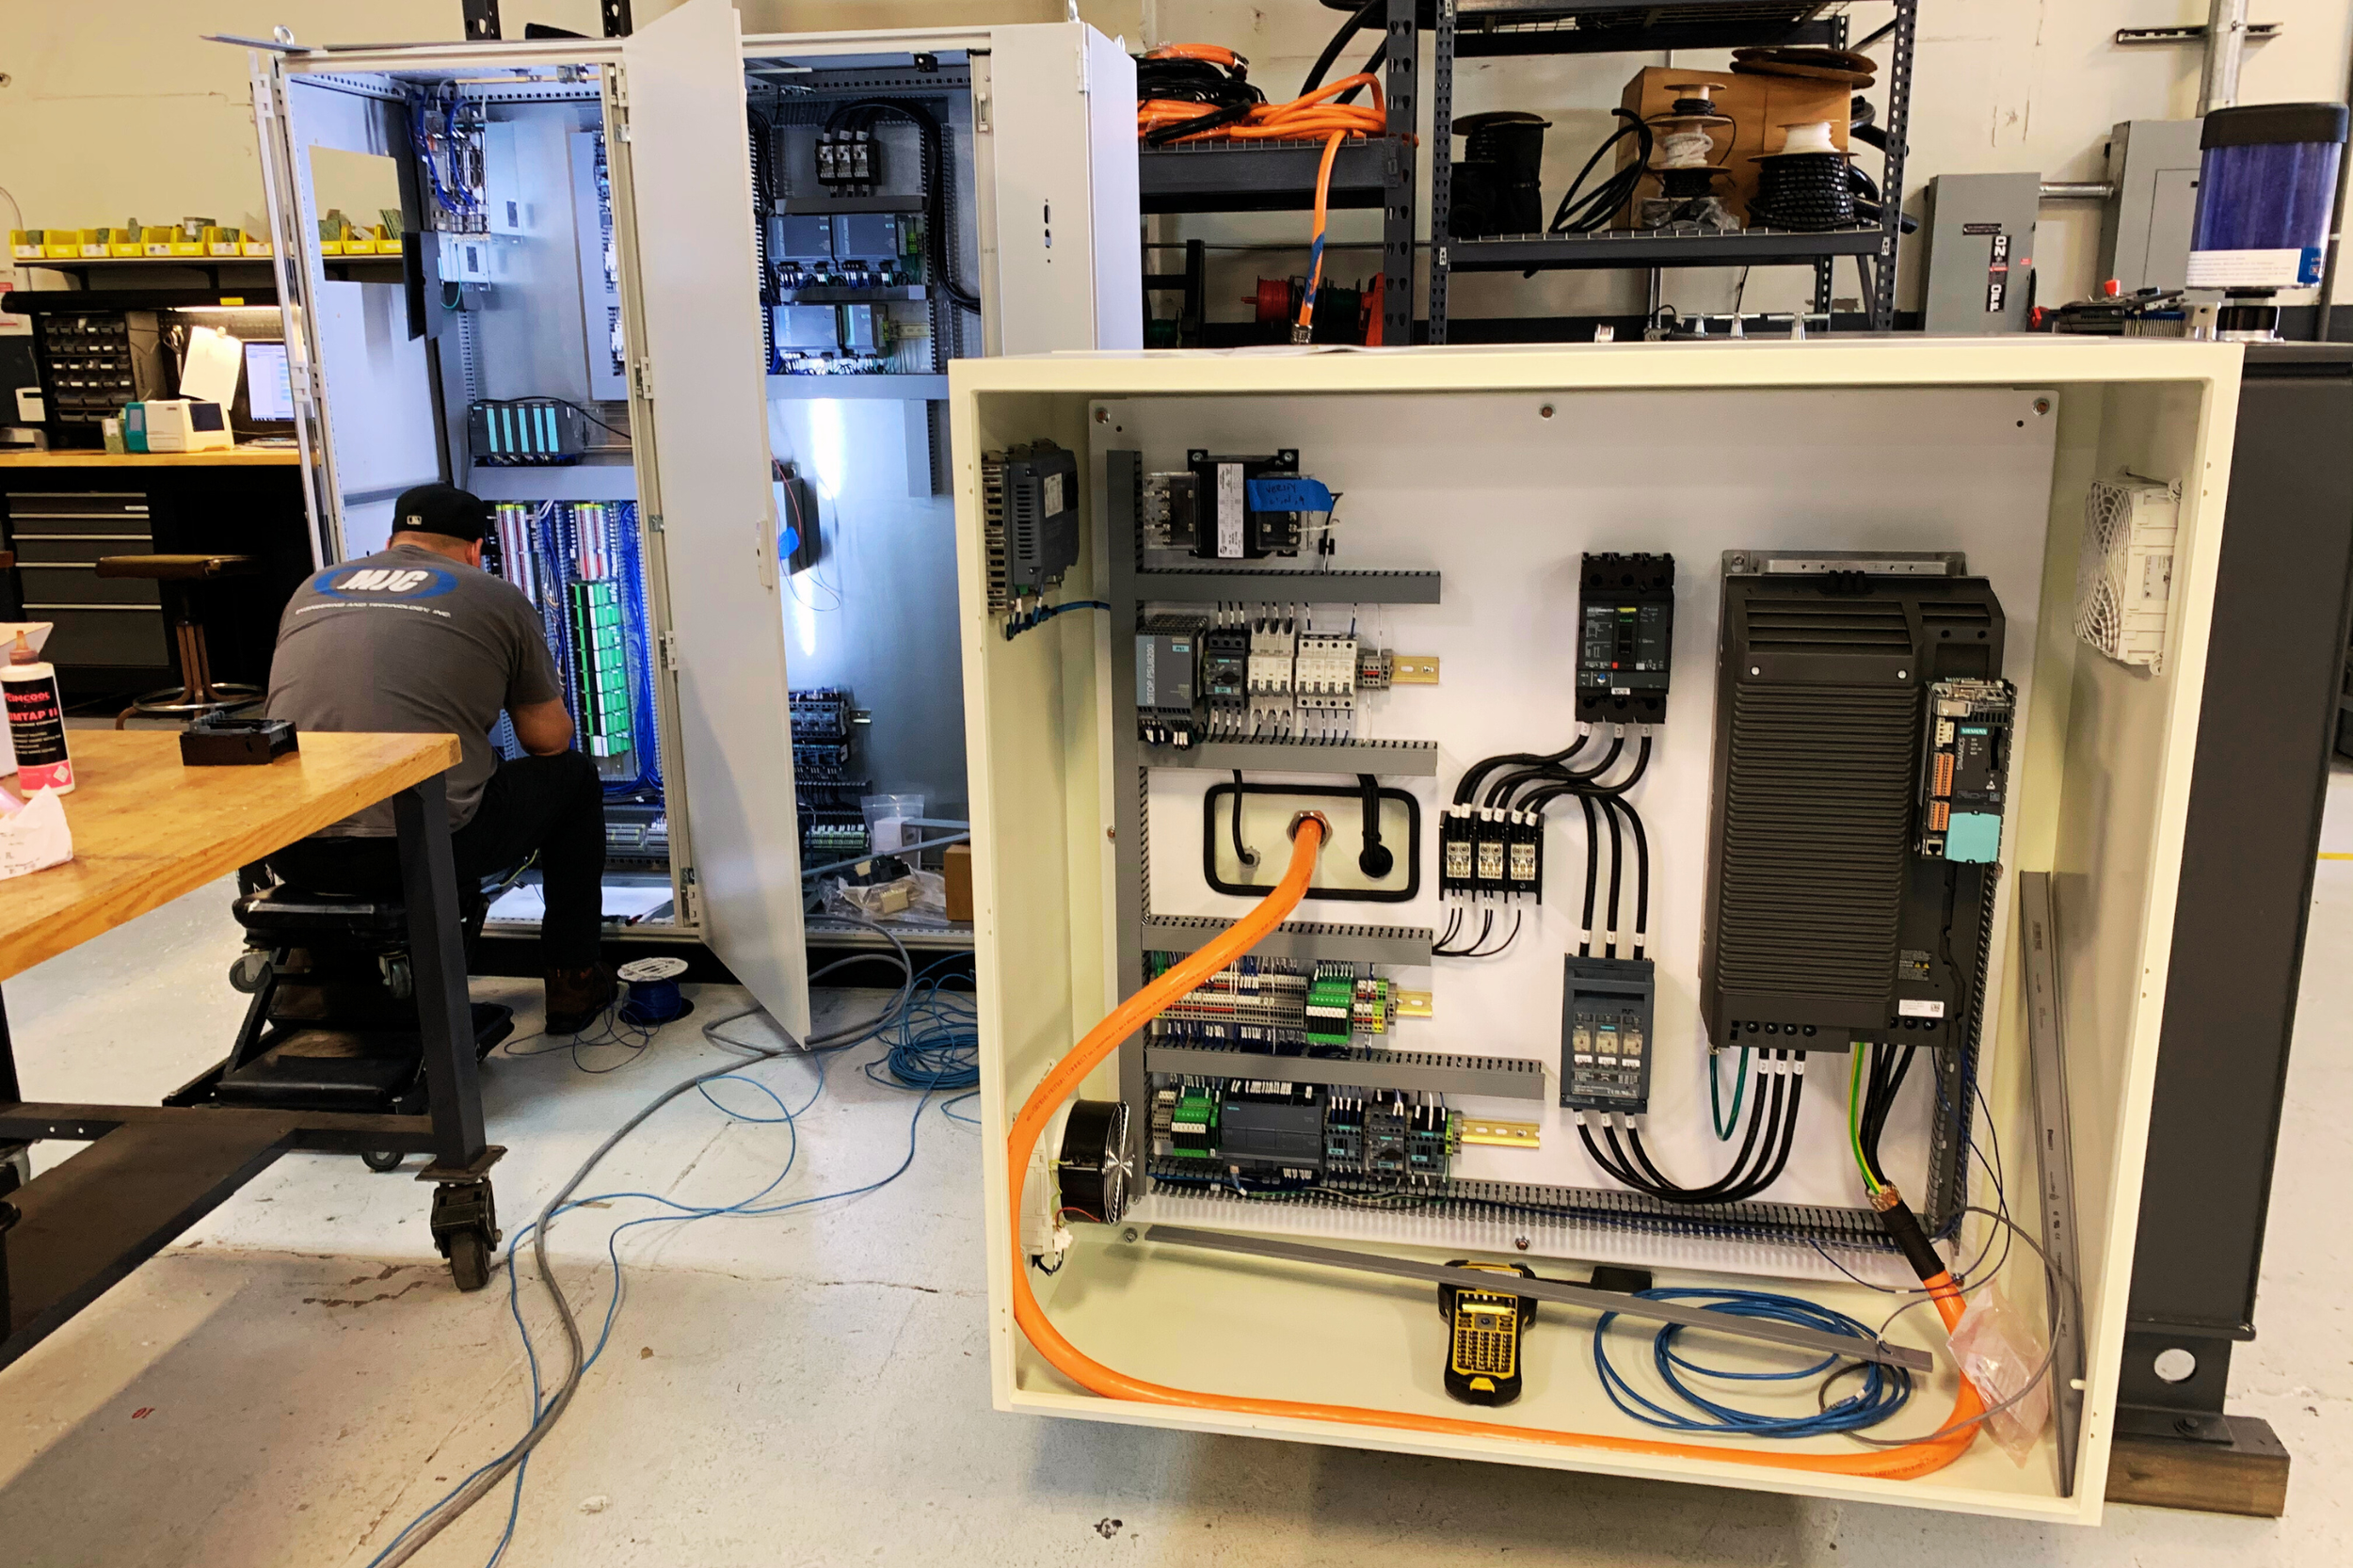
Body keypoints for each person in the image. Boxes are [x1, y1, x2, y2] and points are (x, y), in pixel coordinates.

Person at [264, 483, 615, 1034]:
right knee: (573, 779)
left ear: (392, 539)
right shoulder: (494, 595)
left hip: (291, 846)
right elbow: (547, 742)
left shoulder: (314, 586)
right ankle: (573, 979)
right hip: (422, 849)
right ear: (476, 549)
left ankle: (324, 982)